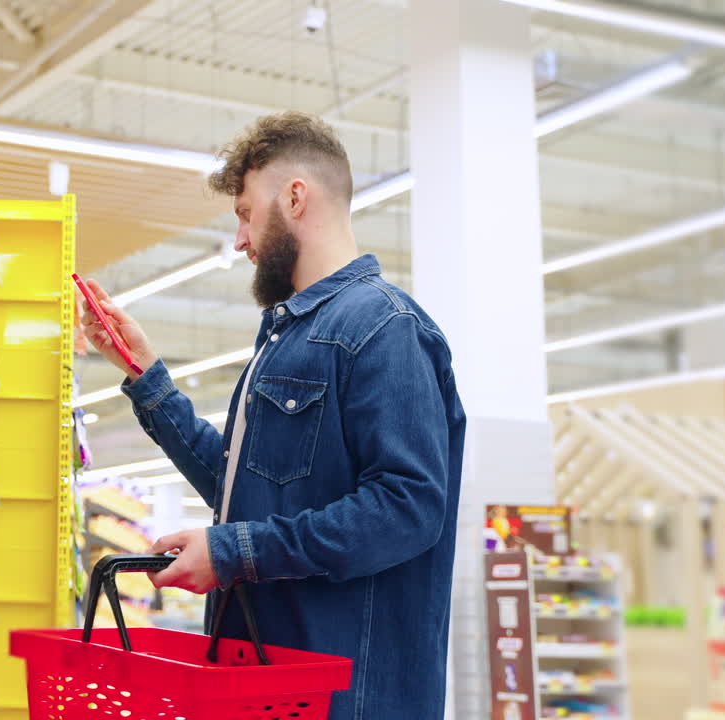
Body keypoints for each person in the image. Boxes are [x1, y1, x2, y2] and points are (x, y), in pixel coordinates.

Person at [79, 111, 465, 719]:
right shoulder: (285, 340)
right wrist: (145, 375)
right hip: (271, 688)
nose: (239, 240)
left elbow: (408, 508)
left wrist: (235, 551)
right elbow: (245, 491)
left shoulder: (384, 329)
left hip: (346, 698)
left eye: (244, 213)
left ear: (294, 196)